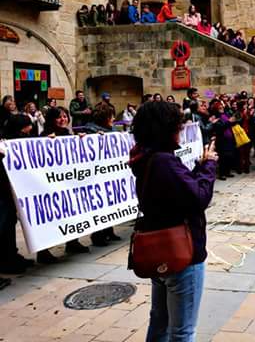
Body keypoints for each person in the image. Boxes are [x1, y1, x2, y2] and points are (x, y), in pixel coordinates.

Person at [129, 101, 217, 341]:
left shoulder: (147, 157)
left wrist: (199, 168)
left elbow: (182, 191)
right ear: (165, 129)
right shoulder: (163, 161)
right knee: (183, 330)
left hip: (161, 247)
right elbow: (198, 197)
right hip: (181, 252)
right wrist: (209, 165)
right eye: (177, 126)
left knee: (160, 321)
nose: (180, 130)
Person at [36, 107, 90, 264]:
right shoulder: (44, 136)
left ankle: (72, 242)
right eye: (59, 117)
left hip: (68, 182)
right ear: (52, 119)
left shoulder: (67, 134)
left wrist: (82, 140)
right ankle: (43, 251)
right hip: (51, 185)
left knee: (72, 213)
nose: (63, 119)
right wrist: (46, 142)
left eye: (65, 116)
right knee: (50, 217)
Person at [0, 114, 36, 273]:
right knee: (3, 223)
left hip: (9, 190)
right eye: (26, 128)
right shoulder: (6, 142)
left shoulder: (16, 140)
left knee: (9, 222)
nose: (29, 130)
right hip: (2, 189)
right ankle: (5, 260)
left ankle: (11, 255)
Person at [84, 105, 122, 246]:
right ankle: (98, 234)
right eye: (110, 116)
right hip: (97, 173)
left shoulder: (110, 129)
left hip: (109, 171)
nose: (113, 119)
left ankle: (108, 230)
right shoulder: (91, 131)